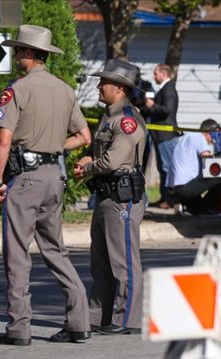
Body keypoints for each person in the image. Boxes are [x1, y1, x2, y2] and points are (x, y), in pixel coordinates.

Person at [0, 24, 92, 345]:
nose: (16, 55)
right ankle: (79, 321)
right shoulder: (65, 89)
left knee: (17, 254)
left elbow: (3, 140)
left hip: (25, 179)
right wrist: (52, 146)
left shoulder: (17, 90)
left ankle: (19, 327)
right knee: (56, 251)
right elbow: (84, 137)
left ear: (29, 54)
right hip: (53, 177)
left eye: (18, 50)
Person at [73, 59, 147, 335]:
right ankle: (99, 316)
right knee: (100, 262)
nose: (99, 85)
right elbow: (104, 155)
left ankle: (125, 318)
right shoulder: (110, 115)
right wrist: (90, 160)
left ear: (119, 87)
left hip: (122, 197)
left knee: (123, 261)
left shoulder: (127, 119)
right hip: (106, 195)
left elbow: (113, 161)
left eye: (104, 81)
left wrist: (89, 166)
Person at [166, 119, 221, 216]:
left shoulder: (187, 137)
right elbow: (208, 158)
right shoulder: (200, 138)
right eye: (215, 135)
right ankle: (208, 208)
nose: (215, 139)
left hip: (173, 187)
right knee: (219, 177)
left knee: (197, 210)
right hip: (185, 187)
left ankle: (189, 207)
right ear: (208, 132)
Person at [139, 63, 179, 209]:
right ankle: (165, 197)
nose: (154, 77)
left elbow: (167, 110)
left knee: (167, 168)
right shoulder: (164, 90)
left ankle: (171, 200)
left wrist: (152, 106)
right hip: (160, 136)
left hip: (166, 136)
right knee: (163, 168)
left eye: (155, 74)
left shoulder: (169, 90)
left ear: (163, 74)